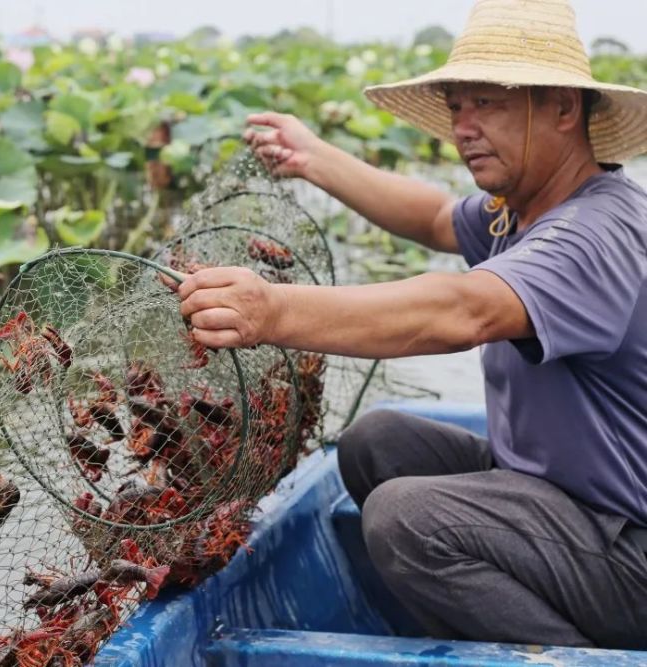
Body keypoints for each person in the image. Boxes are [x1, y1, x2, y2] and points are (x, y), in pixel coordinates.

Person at [174, 0, 647, 650]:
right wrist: (315, 158)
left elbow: (463, 309)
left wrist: (273, 311)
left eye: (487, 102)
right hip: (551, 493)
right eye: (457, 106)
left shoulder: (594, 233)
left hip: (625, 549)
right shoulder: (524, 208)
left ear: (564, 109)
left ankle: (577, 660)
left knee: (407, 520)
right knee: (376, 441)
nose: (465, 127)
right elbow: (432, 218)